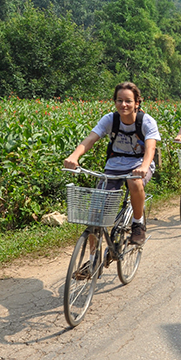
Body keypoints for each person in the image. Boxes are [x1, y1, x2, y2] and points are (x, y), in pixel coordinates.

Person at [64, 82, 160, 246]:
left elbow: (150, 148)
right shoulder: (110, 119)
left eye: (128, 101)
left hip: (139, 163)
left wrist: (144, 167)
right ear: (115, 101)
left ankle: (138, 223)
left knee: (134, 181)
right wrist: (74, 156)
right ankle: (93, 262)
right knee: (95, 217)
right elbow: (90, 139)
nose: (123, 105)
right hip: (114, 165)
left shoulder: (146, 122)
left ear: (137, 103)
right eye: (119, 100)